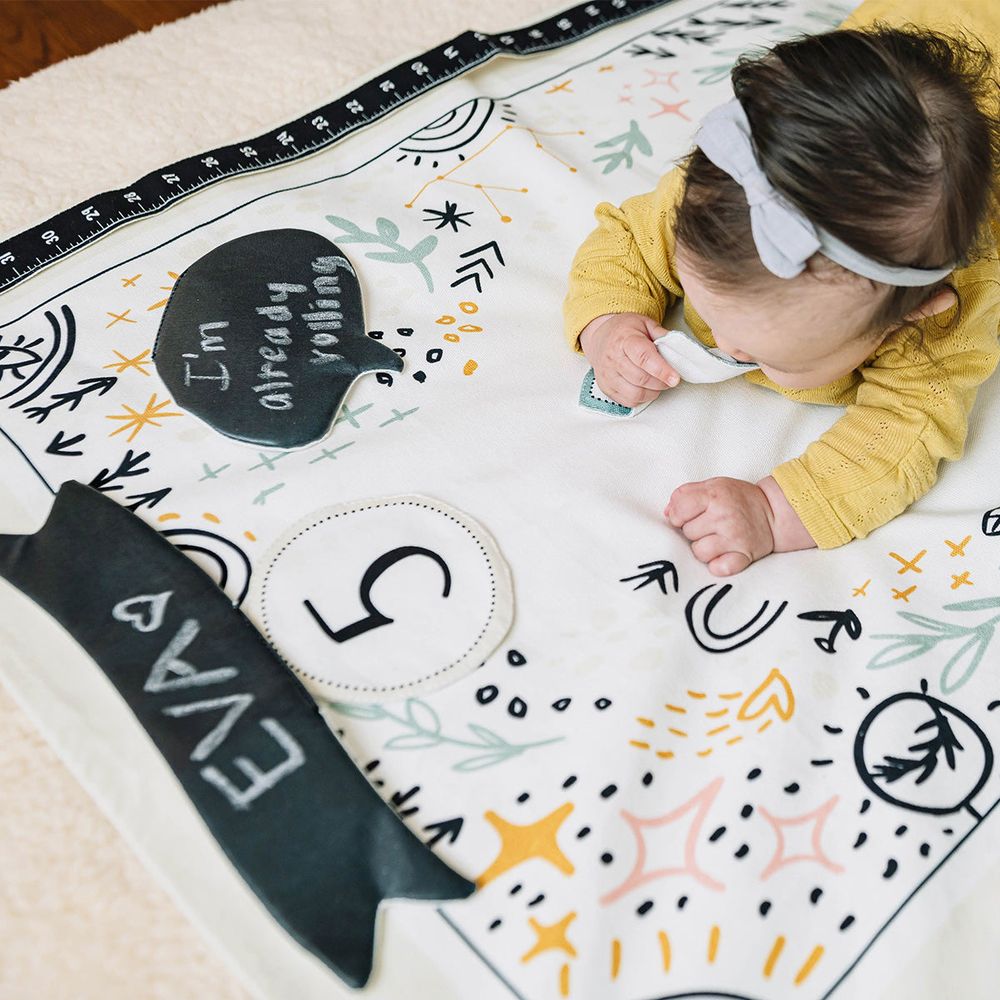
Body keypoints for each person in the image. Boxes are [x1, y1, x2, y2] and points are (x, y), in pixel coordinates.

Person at [562, 1, 1000, 577]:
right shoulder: (719, 197)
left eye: (773, 355)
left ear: (911, 314)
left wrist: (773, 511)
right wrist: (608, 324)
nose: (722, 345)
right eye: (705, 304)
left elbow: (906, 430)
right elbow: (626, 238)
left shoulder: (949, 314)